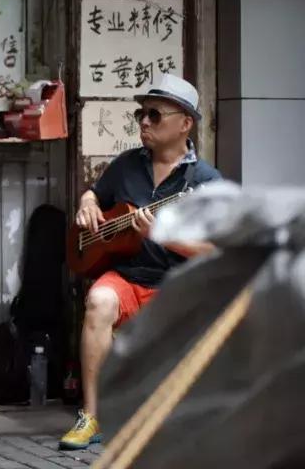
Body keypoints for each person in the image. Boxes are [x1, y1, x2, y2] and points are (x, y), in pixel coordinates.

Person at [59, 75, 222, 451]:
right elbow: (93, 193)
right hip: (128, 276)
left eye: (154, 114)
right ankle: (92, 416)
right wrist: (87, 205)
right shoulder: (128, 164)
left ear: (185, 123)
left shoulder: (205, 181)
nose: (143, 122)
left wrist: (164, 237)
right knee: (99, 301)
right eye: (140, 114)